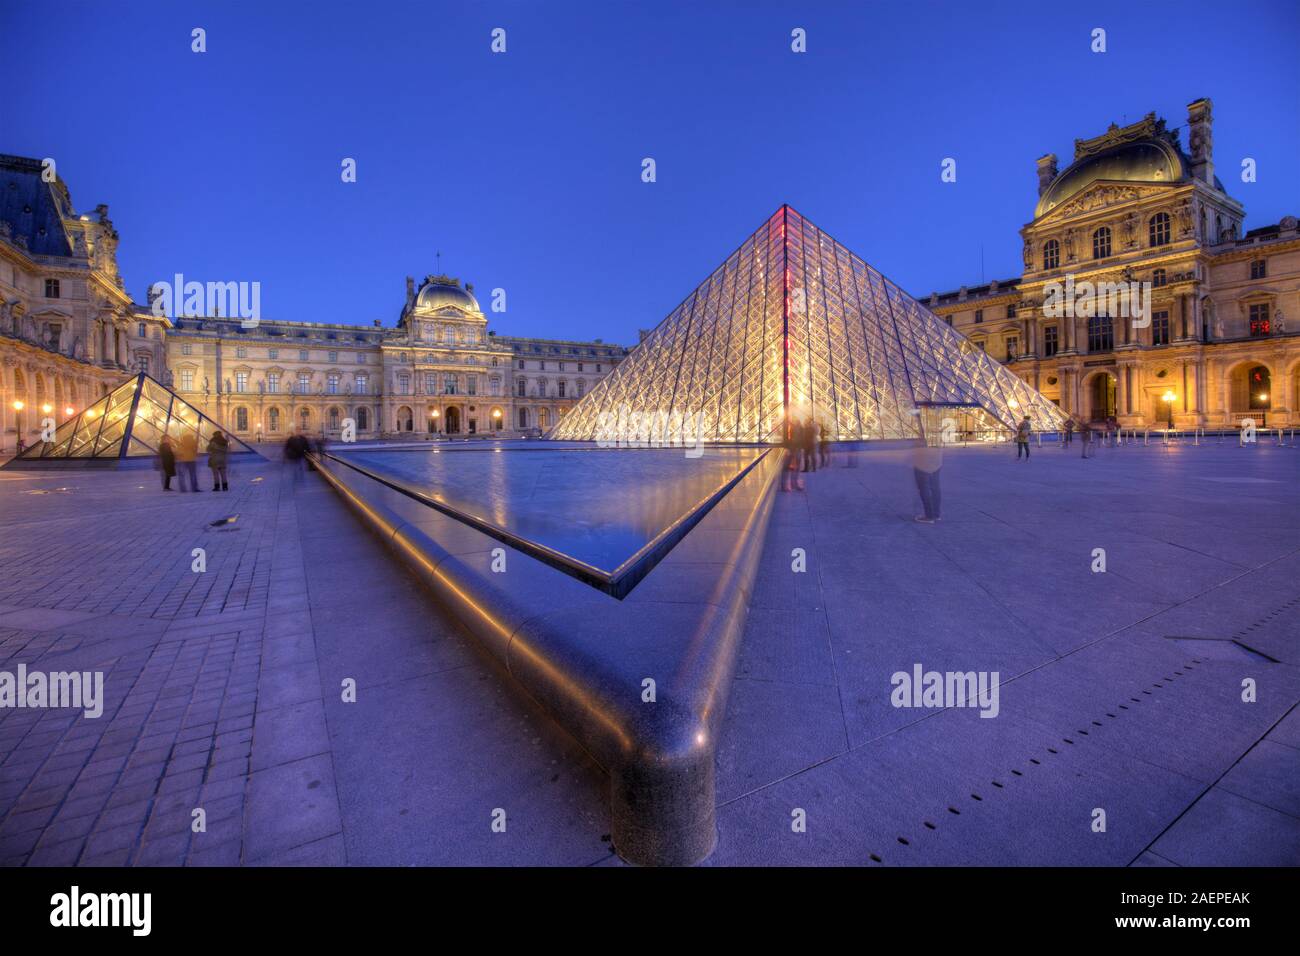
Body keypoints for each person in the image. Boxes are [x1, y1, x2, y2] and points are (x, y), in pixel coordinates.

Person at [912, 438, 943, 523]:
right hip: (936, 454)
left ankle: (929, 516)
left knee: (924, 487)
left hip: (923, 456)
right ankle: (936, 514)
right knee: (935, 486)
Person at [782, 417, 805, 492]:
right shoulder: (793, 429)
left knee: (793, 468)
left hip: (795, 449)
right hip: (793, 449)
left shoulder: (797, 429)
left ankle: (791, 484)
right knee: (791, 468)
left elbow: (799, 439)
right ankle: (790, 485)